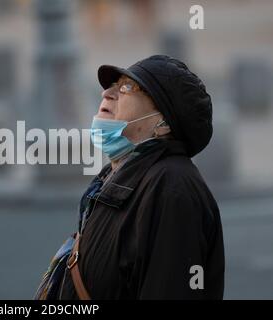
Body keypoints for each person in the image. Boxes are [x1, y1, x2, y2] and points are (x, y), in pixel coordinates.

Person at [34, 55, 225, 300]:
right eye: (111, 86)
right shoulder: (117, 174)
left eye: (127, 87)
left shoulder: (172, 187)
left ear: (163, 123)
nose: (108, 93)